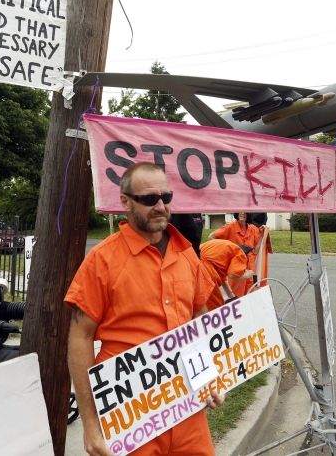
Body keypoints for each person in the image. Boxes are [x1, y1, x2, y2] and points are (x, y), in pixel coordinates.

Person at [66, 162, 224, 456]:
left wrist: (210, 378)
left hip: (187, 406)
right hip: (129, 412)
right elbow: (80, 337)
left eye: (166, 197)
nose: (161, 206)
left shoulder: (187, 253)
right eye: (150, 199)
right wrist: (90, 424)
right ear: (125, 201)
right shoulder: (102, 259)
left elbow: (200, 319)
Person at [208, 212, 272, 296]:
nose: (242, 213)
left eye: (245, 212)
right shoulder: (230, 227)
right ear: (237, 213)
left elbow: (255, 251)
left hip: (250, 268)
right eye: (240, 211)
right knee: (237, 296)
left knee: (250, 296)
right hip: (236, 267)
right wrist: (226, 248)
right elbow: (211, 237)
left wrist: (262, 234)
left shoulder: (252, 228)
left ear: (249, 215)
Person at [199, 240, 253, 310]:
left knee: (197, 300)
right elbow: (233, 275)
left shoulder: (226, 250)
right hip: (205, 268)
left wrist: (232, 297)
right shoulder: (239, 252)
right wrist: (247, 275)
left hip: (193, 261)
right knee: (215, 305)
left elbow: (224, 280)